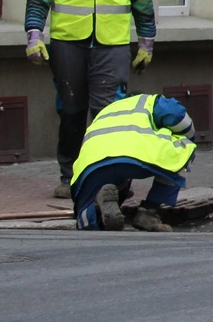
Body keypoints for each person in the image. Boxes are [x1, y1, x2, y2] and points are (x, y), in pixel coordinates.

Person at [23, 0, 157, 194]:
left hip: (112, 44)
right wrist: (34, 35)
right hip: (69, 41)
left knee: (110, 114)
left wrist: (146, 43)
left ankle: (112, 180)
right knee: (71, 110)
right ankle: (69, 175)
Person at [71, 92, 196, 232]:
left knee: (85, 220)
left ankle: (93, 210)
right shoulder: (148, 101)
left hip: (91, 167)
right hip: (134, 156)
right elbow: (178, 117)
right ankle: (149, 213)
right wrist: (190, 136)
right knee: (185, 148)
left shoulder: (106, 111)